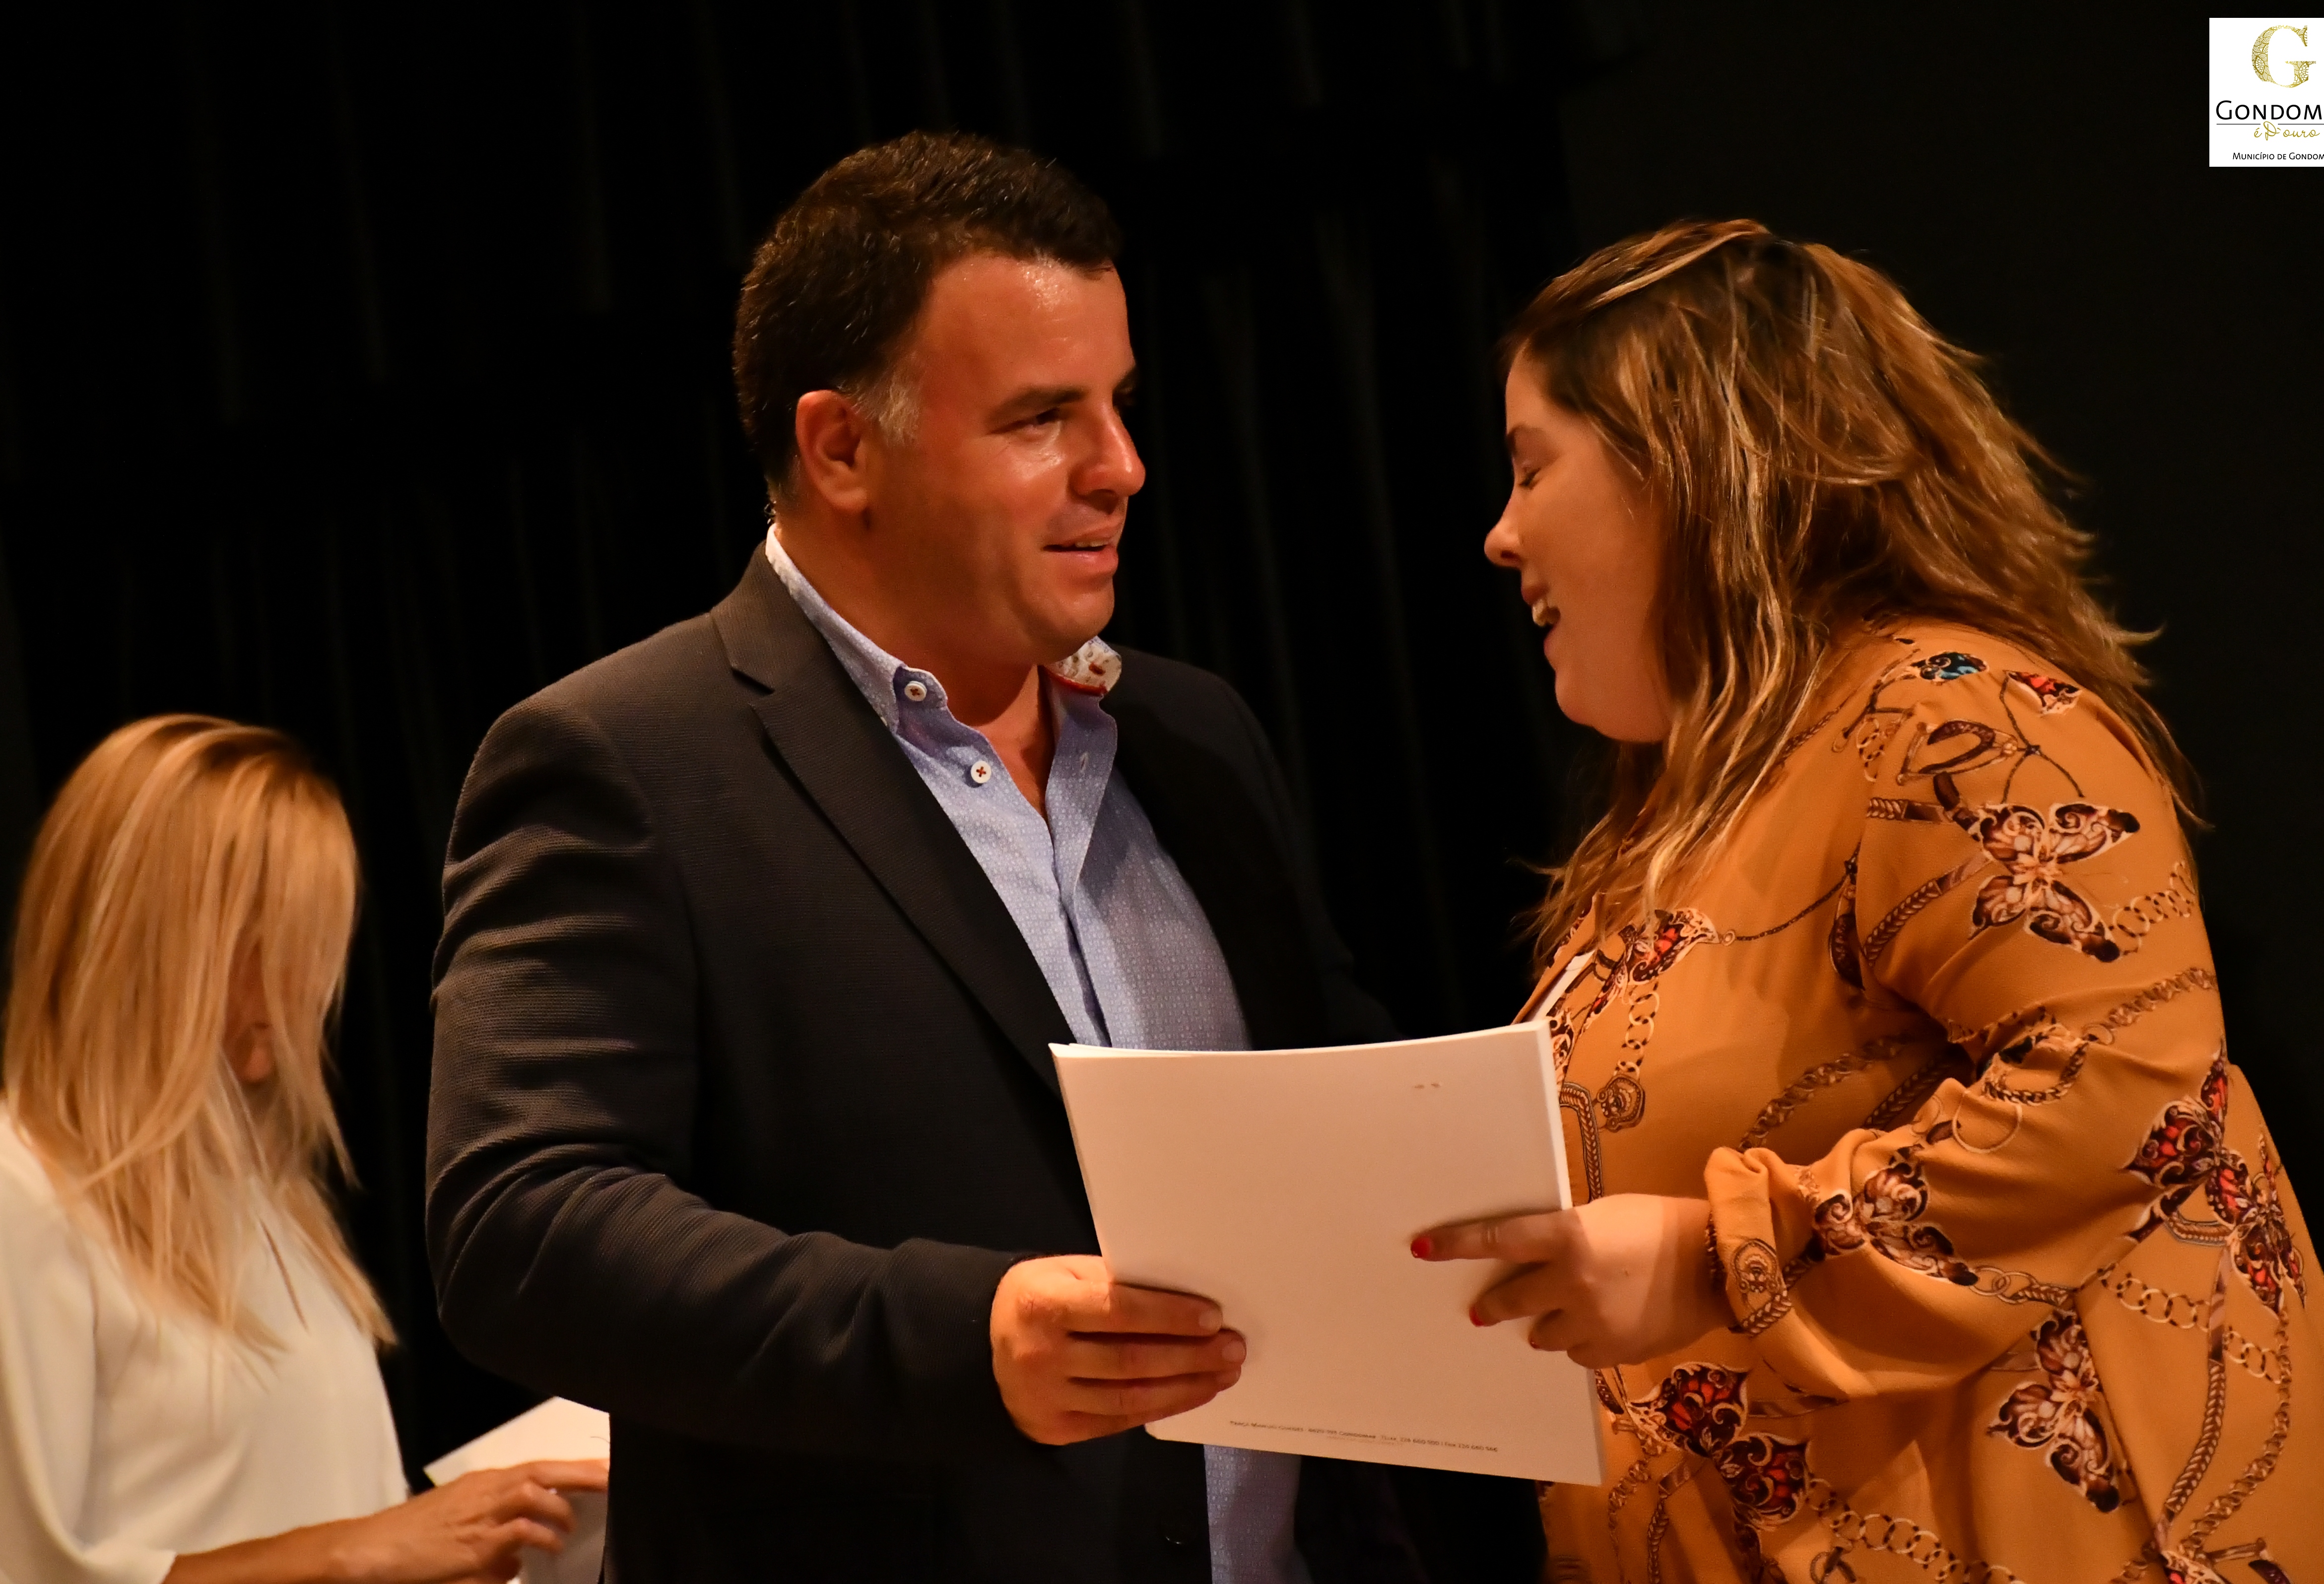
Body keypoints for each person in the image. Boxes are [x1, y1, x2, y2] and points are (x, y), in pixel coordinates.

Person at [424, 130, 1537, 1584]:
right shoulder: (630, 759)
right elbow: (520, 1231)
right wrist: (962, 1337)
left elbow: (1339, 1114)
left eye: (1119, 405)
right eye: (1040, 419)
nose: (1121, 468)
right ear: (842, 449)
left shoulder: (1194, 737)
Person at [1416, 221, 2324, 1581]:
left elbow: (2123, 1089)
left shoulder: (1949, 722)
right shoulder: (1696, 808)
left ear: (1687, 463)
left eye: (1530, 467)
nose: (1501, 534)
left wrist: (1715, 1260)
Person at [0, 714, 606, 1584]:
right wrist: (366, 1550)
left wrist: (461, 1548)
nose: (305, 991)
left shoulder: (265, 1201)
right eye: (269, 942)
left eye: (315, 946)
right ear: (157, 944)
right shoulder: (23, 1191)